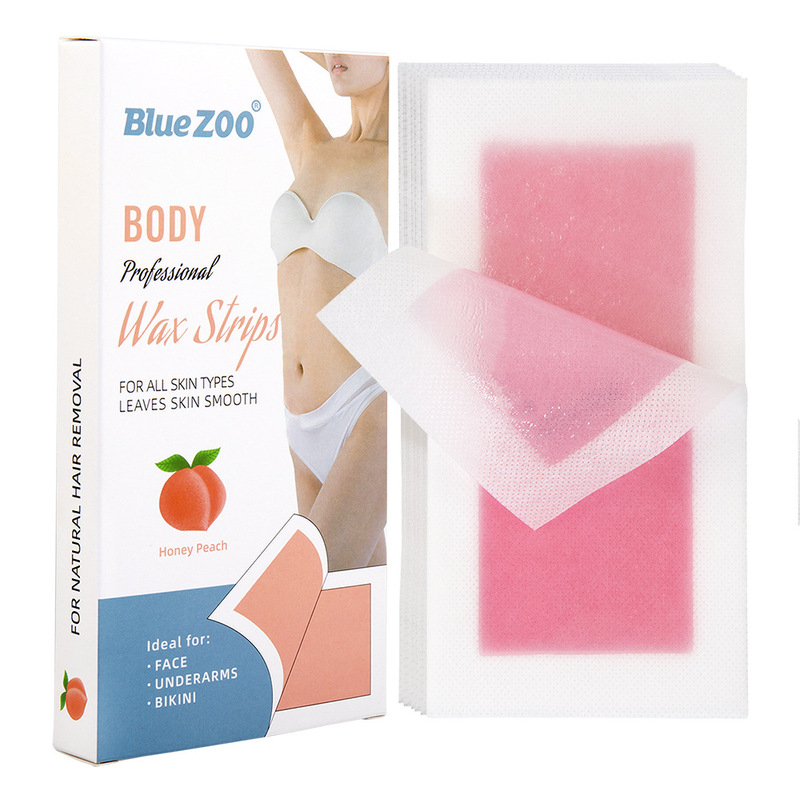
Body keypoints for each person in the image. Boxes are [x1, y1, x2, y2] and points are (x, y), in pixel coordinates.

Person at [247, 49, 388, 571]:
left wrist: (384, 51)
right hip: (300, 424)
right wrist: (345, 48)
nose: (334, 51)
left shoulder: (410, 158)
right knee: (358, 608)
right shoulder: (312, 146)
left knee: (308, 598)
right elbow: (258, 38)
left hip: (370, 412)